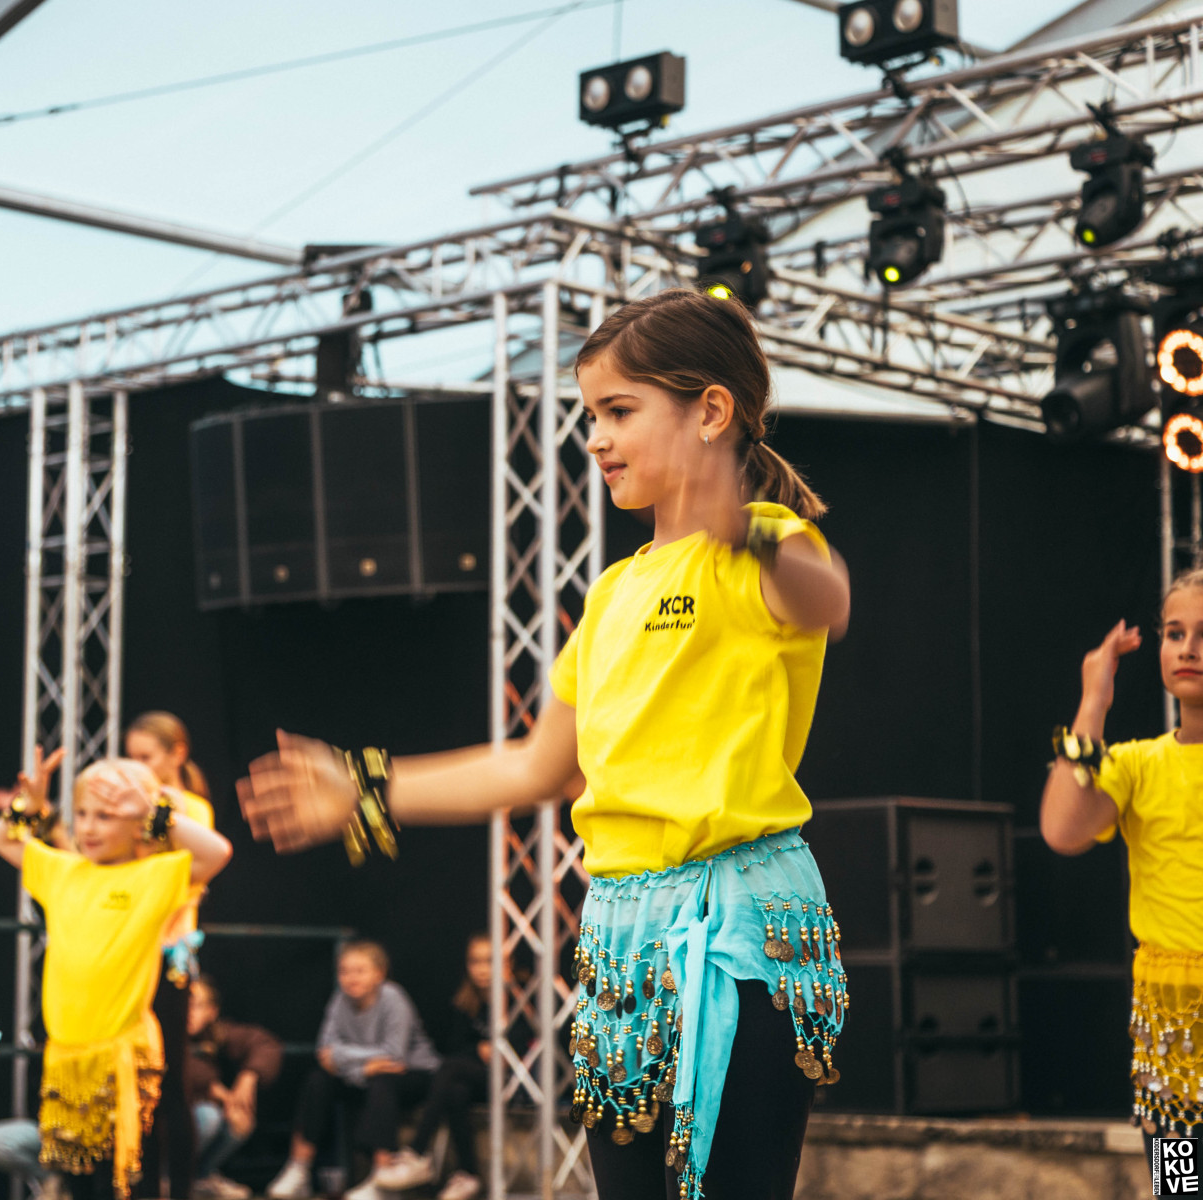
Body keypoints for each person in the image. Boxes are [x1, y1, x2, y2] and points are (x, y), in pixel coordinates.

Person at [239, 288, 854, 1200]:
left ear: (711, 412)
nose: (595, 439)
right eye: (589, 416)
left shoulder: (764, 546)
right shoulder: (610, 595)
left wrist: (738, 526)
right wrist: (369, 789)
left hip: (736, 937)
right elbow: (536, 765)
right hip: (621, 946)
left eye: (619, 412)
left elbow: (826, 599)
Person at [0, 757, 232, 1200]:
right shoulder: (62, 871)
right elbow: (1, 837)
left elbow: (216, 852)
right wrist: (30, 805)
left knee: (123, 1182)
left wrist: (153, 808)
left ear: (138, 825)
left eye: (105, 816)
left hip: (122, 1062)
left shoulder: (154, 876)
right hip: (67, 1062)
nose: (88, 827)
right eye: (82, 813)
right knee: (79, 1184)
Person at [1038, 574, 1203, 1175]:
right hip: (1171, 1022)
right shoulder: (1137, 763)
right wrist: (1094, 702)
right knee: (1179, 1185)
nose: (1189, 649)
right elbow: (1062, 829)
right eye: (1175, 633)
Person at [125, 712, 217, 1200]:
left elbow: (192, 874)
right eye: (132, 757)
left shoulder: (192, 808)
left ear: (176, 754)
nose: (138, 765)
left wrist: (150, 811)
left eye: (146, 756)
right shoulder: (136, 806)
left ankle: (179, 1189)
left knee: (171, 1081)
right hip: (129, 953)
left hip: (170, 956)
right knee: (135, 1079)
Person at [267, 941, 440, 1200]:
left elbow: (394, 1055)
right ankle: (299, 1169)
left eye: (359, 971)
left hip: (413, 1074)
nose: (351, 978)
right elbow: (324, 1049)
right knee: (318, 1080)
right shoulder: (340, 999)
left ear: (379, 974)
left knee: (383, 1080)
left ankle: (383, 1180)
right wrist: (361, 1068)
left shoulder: (393, 997)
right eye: (344, 971)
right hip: (363, 1075)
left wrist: (342, 1056)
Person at [374, 935, 491, 1200]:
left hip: (515, 1081)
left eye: (490, 961)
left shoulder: (521, 999)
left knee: (449, 1069)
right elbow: (454, 1047)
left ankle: (417, 1151)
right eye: (475, 961)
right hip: (473, 1078)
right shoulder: (465, 1002)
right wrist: (478, 1050)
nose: (482, 969)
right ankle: (469, 1173)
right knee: (455, 1091)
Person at [185, 976, 282, 1200]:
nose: (189, 1012)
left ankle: (201, 1177)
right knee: (208, 1116)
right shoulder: (159, 1032)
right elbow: (181, 1067)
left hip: (201, 1110)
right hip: (164, 1121)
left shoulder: (214, 1033)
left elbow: (265, 1043)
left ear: (212, 1011)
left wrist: (249, 1076)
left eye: (197, 1006)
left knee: (240, 1116)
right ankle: (169, 1178)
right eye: (185, 1005)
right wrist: (216, 1090)